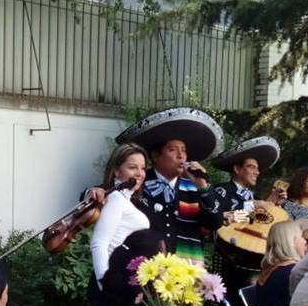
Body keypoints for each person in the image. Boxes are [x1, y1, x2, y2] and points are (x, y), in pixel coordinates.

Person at [89, 107, 224, 260]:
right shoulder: (138, 182)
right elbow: (101, 192)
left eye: (184, 150)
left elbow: (215, 223)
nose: (181, 156)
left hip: (185, 270)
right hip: (144, 269)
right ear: (155, 155)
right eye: (173, 150)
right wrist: (91, 192)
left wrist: (203, 187)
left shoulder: (193, 188)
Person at [199, 136, 283, 306]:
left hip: (250, 265)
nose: (257, 172)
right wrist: (252, 211)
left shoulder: (255, 201)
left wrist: (270, 206)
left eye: (258, 168)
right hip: (224, 262)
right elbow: (220, 218)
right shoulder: (220, 191)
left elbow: (258, 227)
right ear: (236, 169)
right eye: (251, 167)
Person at [90, 143, 149, 283]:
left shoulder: (125, 199)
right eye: (132, 167)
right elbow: (99, 243)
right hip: (114, 280)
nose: (139, 173)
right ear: (116, 170)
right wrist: (104, 284)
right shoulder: (116, 198)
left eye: (143, 168)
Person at [254, 220, 307, 306]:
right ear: (291, 241)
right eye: (301, 237)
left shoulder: (271, 269)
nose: (305, 241)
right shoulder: (291, 273)